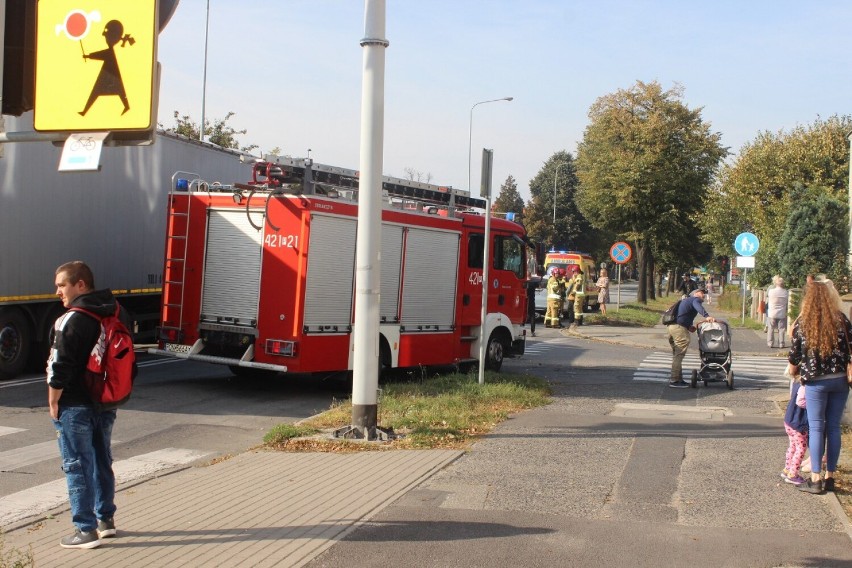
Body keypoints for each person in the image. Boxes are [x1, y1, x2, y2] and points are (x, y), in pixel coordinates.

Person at [47, 261, 126, 549]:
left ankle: (85, 530)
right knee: (102, 460)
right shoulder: (116, 311)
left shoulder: (72, 319)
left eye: (62, 284)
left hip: (75, 404)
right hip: (105, 401)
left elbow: (60, 365)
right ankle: (106, 521)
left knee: (77, 465)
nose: (58, 291)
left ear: (81, 284)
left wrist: (53, 399)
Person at [788, 280, 851, 494]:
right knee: (833, 427)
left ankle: (815, 479)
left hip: (816, 381)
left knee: (816, 427)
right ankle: (830, 477)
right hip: (841, 380)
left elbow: (794, 355)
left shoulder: (804, 322)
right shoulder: (841, 320)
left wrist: (794, 369)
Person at [666, 287, 715, 388]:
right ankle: (675, 380)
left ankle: (678, 379)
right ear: (696, 293)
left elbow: (682, 315)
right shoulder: (695, 300)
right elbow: (697, 306)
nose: (704, 295)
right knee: (679, 354)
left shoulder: (686, 300)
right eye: (702, 293)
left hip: (671, 327)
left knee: (677, 354)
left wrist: (689, 326)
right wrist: (707, 316)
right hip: (679, 328)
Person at [781, 372, 808, 485]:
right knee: (801, 448)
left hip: (789, 419)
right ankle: (793, 474)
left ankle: (787, 468)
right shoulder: (805, 384)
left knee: (792, 445)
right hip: (799, 421)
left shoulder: (795, 380)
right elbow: (801, 401)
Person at [766, 275, 789, 348]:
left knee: (771, 328)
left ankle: (770, 343)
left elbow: (768, 299)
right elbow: (786, 302)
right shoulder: (785, 292)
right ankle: (781, 343)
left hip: (772, 312)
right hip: (781, 313)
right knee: (781, 329)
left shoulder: (771, 291)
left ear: (775, 283)